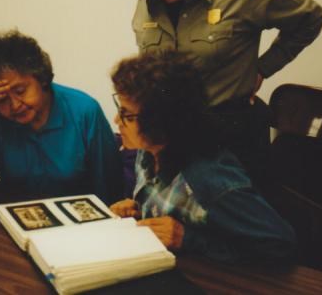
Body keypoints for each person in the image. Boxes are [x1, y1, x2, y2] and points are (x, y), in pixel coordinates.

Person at [117, 0, 322, 184]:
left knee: (234, 218)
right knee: (173, 221)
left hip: (231, 132)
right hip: (172, 135)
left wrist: (263, 68)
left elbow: (310, 17)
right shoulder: (148, 3)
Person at [109, 51, 296, 264]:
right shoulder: (148, 152)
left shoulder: (209, 180)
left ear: (162, 122)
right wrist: (139, 210)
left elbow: (281, 244)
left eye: (127, 115)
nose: (116, 120)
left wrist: (189, 239)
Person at [0, 30, 122, 204]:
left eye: (20, 91)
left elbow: (110, 190)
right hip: (18, 219)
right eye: (2, 100)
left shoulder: (84, 111)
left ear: (42, 78)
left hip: (80, 221)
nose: (14, 105)